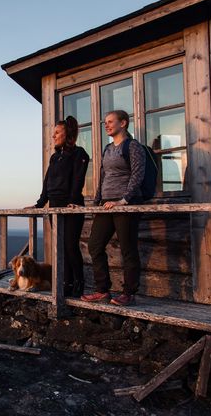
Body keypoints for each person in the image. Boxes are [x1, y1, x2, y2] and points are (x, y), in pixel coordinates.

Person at [81, 110, 145, 306]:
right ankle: (102, 290)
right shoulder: (108, 149)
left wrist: (123, 201)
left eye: (110, 122)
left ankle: (129, 293)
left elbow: (138, 175)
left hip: (125, 204)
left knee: (128, 249)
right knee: (95, 245)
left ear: (123, 123)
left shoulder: (132, 146)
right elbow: (104, 177)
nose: (106, 125)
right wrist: (96, 203)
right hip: (106, 204)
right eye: (105, 122)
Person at [28, 116, 90, 297]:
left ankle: (78, 285)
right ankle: (65, 284)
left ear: (67, 133)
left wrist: (72, 201)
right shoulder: (55, 157)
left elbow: (78, 180)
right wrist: (39, 204)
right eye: (53, 133)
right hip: (54, 207)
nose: (53, 136)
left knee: (71, 246)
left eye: (57, 132)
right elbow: (48, 183)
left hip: (71, 206)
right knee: (61, 247)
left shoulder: (80, 154)